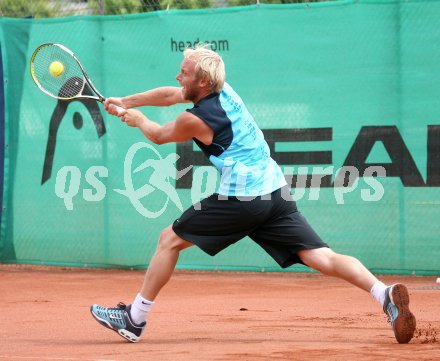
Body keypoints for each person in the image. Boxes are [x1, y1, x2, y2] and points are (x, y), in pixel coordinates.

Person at [90, 44, 416, 344]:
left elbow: (160, 135)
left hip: (243, 200)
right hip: (275, 193)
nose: (178, 76)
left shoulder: (197, 119)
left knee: (169, 240)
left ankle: (134, 318)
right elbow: (170, 94)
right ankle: (382, 293)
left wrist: (137, 119)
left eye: (185, 72)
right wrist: (127, 101)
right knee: (320, 256)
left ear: (202, 82)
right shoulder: (224, 91)